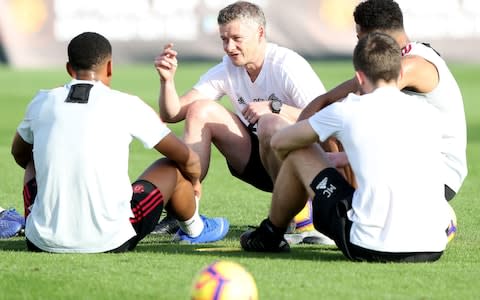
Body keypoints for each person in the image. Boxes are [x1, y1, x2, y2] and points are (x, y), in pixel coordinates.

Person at [240, 32, 452, 263]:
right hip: (432, 246)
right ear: (401, 73)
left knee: (299, 150)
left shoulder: (347, 109)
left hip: (368, 245)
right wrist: (347, 156)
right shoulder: (429, 114)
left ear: (359, 78)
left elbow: (280, 142)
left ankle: (270, 233)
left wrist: (315, 163)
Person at [10, 32, 229, 253]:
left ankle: (47, 223)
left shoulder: (43, 100)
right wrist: (194, 181)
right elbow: (187, 157)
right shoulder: (126, 104)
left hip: (40, 242)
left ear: (69, 69)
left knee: (32, 162)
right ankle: (195, 228)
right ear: (110, 67)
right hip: (111, 241)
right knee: (172, 167)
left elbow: (19, 154)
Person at [153, 1, 330, 244]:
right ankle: (185, 213)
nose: (229, 47)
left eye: (237, 38)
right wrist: (167, 81)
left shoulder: (287, 65)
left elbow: (326, 121)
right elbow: (173, 113)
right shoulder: (227, 68)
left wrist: (275, 108)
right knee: (199, 110)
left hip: (301, 168)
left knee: (269, 122)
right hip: (258, 162)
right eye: (224, 39)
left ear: (260, 34)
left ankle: (302, 219)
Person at [298, 0, 467, 203]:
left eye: (359, 38)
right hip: (406, 166)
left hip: (438, 178)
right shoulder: (391, 61)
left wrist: (298, 135)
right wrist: (303, 128)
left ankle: (352, 208)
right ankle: (354, 206)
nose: (358, 45)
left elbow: (352, 110)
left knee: (343, 124)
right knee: (335, 121)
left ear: (374, 38)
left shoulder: (413, 65)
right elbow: (325, 100)